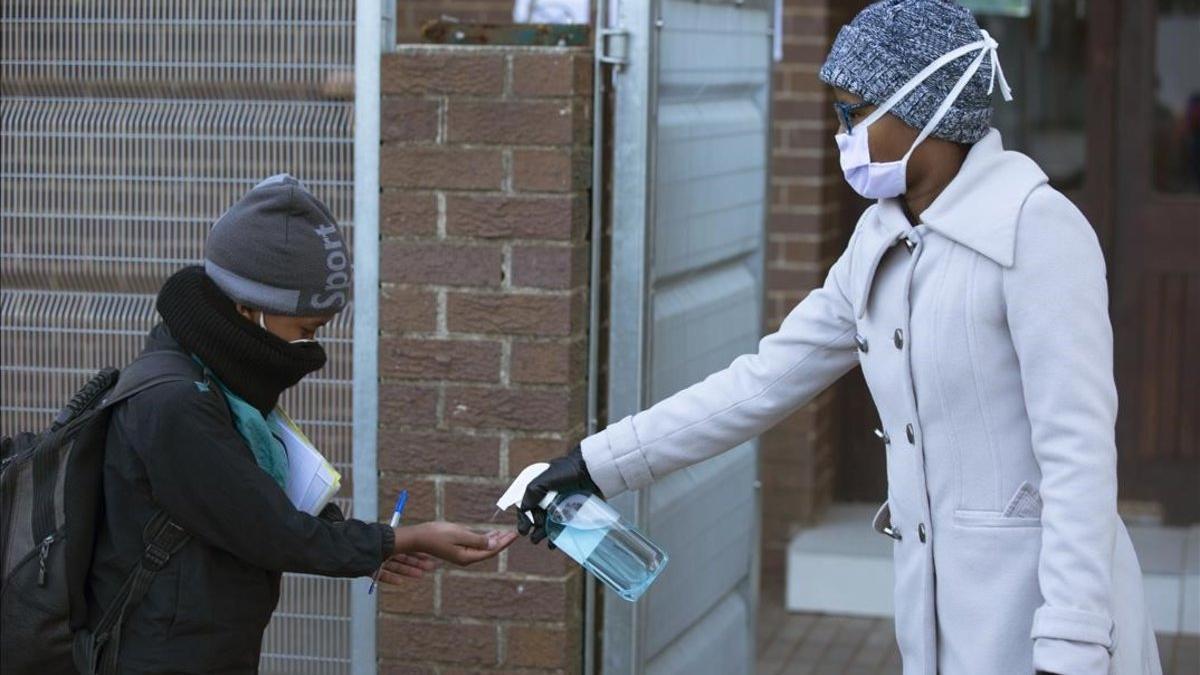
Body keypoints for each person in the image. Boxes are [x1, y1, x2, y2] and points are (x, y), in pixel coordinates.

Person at [516, 2, 1162, 674]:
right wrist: (596, 463)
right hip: (938, 628)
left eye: (854, 113)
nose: (841, 134)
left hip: (1043, 627)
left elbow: (1078, 457)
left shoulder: (1035, 230)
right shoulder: (878, 241)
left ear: (925, 109)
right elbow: (761, 382)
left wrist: (1071, 646)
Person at [85, 174, 518, 674]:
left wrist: (367, 546)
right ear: (250, 307)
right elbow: (271, 528)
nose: (310, 349)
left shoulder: (214, 377)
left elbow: (253, 499)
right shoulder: (176, 402)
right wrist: (403, 539)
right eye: (305, 330)